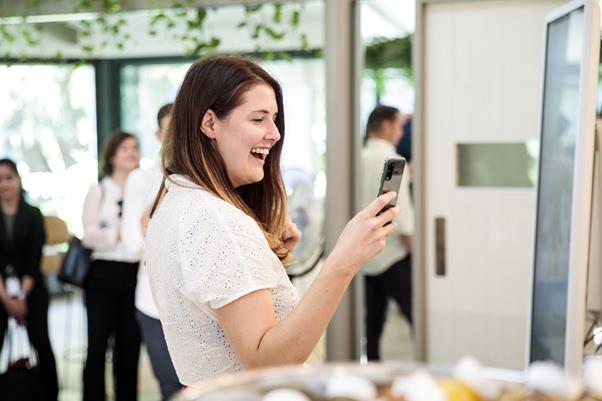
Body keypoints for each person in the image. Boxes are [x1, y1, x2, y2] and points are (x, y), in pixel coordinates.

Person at [144, 55, 400, 385]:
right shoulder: (215, 220)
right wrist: (342, 263)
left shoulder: (175, 197)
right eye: (258, 119)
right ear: (209, 124)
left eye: (275, 119)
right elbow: (267, 361)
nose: (275, 134)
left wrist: (262, 256)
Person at [122, 104, 181, 400]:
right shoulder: (142, 180)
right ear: (159, 135)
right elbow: (134, 243)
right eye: (172, 131)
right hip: (154, 305)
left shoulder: (212, 177)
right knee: (170, 387)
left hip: (202, 307)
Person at [82, 131, 142, 401]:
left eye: (134, 148)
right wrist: (118, 233)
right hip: (103, 274)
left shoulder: (142, 190)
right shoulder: (100, 190)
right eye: (124, 148)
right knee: (97, 346)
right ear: (112, 156)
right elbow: (89, 236)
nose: (131, 153)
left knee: (129, 348)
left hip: (134, 274)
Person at [0, 158, 59, 401]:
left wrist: (21, 296)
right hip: (0, 291)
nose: (4, 184)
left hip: (31, 287)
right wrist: (6, 299)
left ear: (18, 180)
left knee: (41, 341)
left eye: (9, 178)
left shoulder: (34, 215)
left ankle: (50, 393)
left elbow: (35, 260)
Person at [361, 105, 415, 361]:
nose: (402, 134)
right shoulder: (392, 162)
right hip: (392, 255)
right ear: (385, 126)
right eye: (399, 126)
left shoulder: (357, 158)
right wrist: (414, 253)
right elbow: (401, 218)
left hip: (364, 257)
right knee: (418, 317)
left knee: (372, 326)